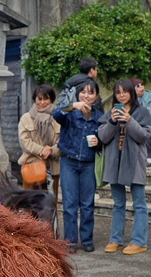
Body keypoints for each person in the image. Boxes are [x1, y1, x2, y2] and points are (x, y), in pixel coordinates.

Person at [98, 79, 151, 255]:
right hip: (115, 162)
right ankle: (116, 239)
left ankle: (139, 241)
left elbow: (144, 136)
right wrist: (113, 122)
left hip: (135, 162)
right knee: (118, 203)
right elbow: (103, 137)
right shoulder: (110, 113)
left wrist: (129, 120)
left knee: (139, 203)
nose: (121, 95)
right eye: (118, 92)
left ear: (131, 93)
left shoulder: (142, 112)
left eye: (125, 91)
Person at [53, 78, 104, 253]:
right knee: (69, 204)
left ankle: (87, 239)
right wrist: (72, 106)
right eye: (83, 91)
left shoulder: (99, 117)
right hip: (69, 161)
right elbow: (56, 114)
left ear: (96, 96)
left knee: (88, 204)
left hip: (89, 163)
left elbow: (104, 140)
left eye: (91, 92)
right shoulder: (70, 112)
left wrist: (98, 142)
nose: (86, 95)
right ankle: (70, 242)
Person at [18, 84, 61, 203]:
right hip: (32, 167)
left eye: (46, 99)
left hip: (53, 168)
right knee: (32, 204)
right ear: (35, 99)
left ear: (51, 100)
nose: (42, 102)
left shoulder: (58, 117)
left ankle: (52, 222)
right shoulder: (26, 118)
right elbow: (25, 142)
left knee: (52, 203)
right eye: (39, 99)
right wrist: (42, 150)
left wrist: (51, 150)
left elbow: (62, 141)